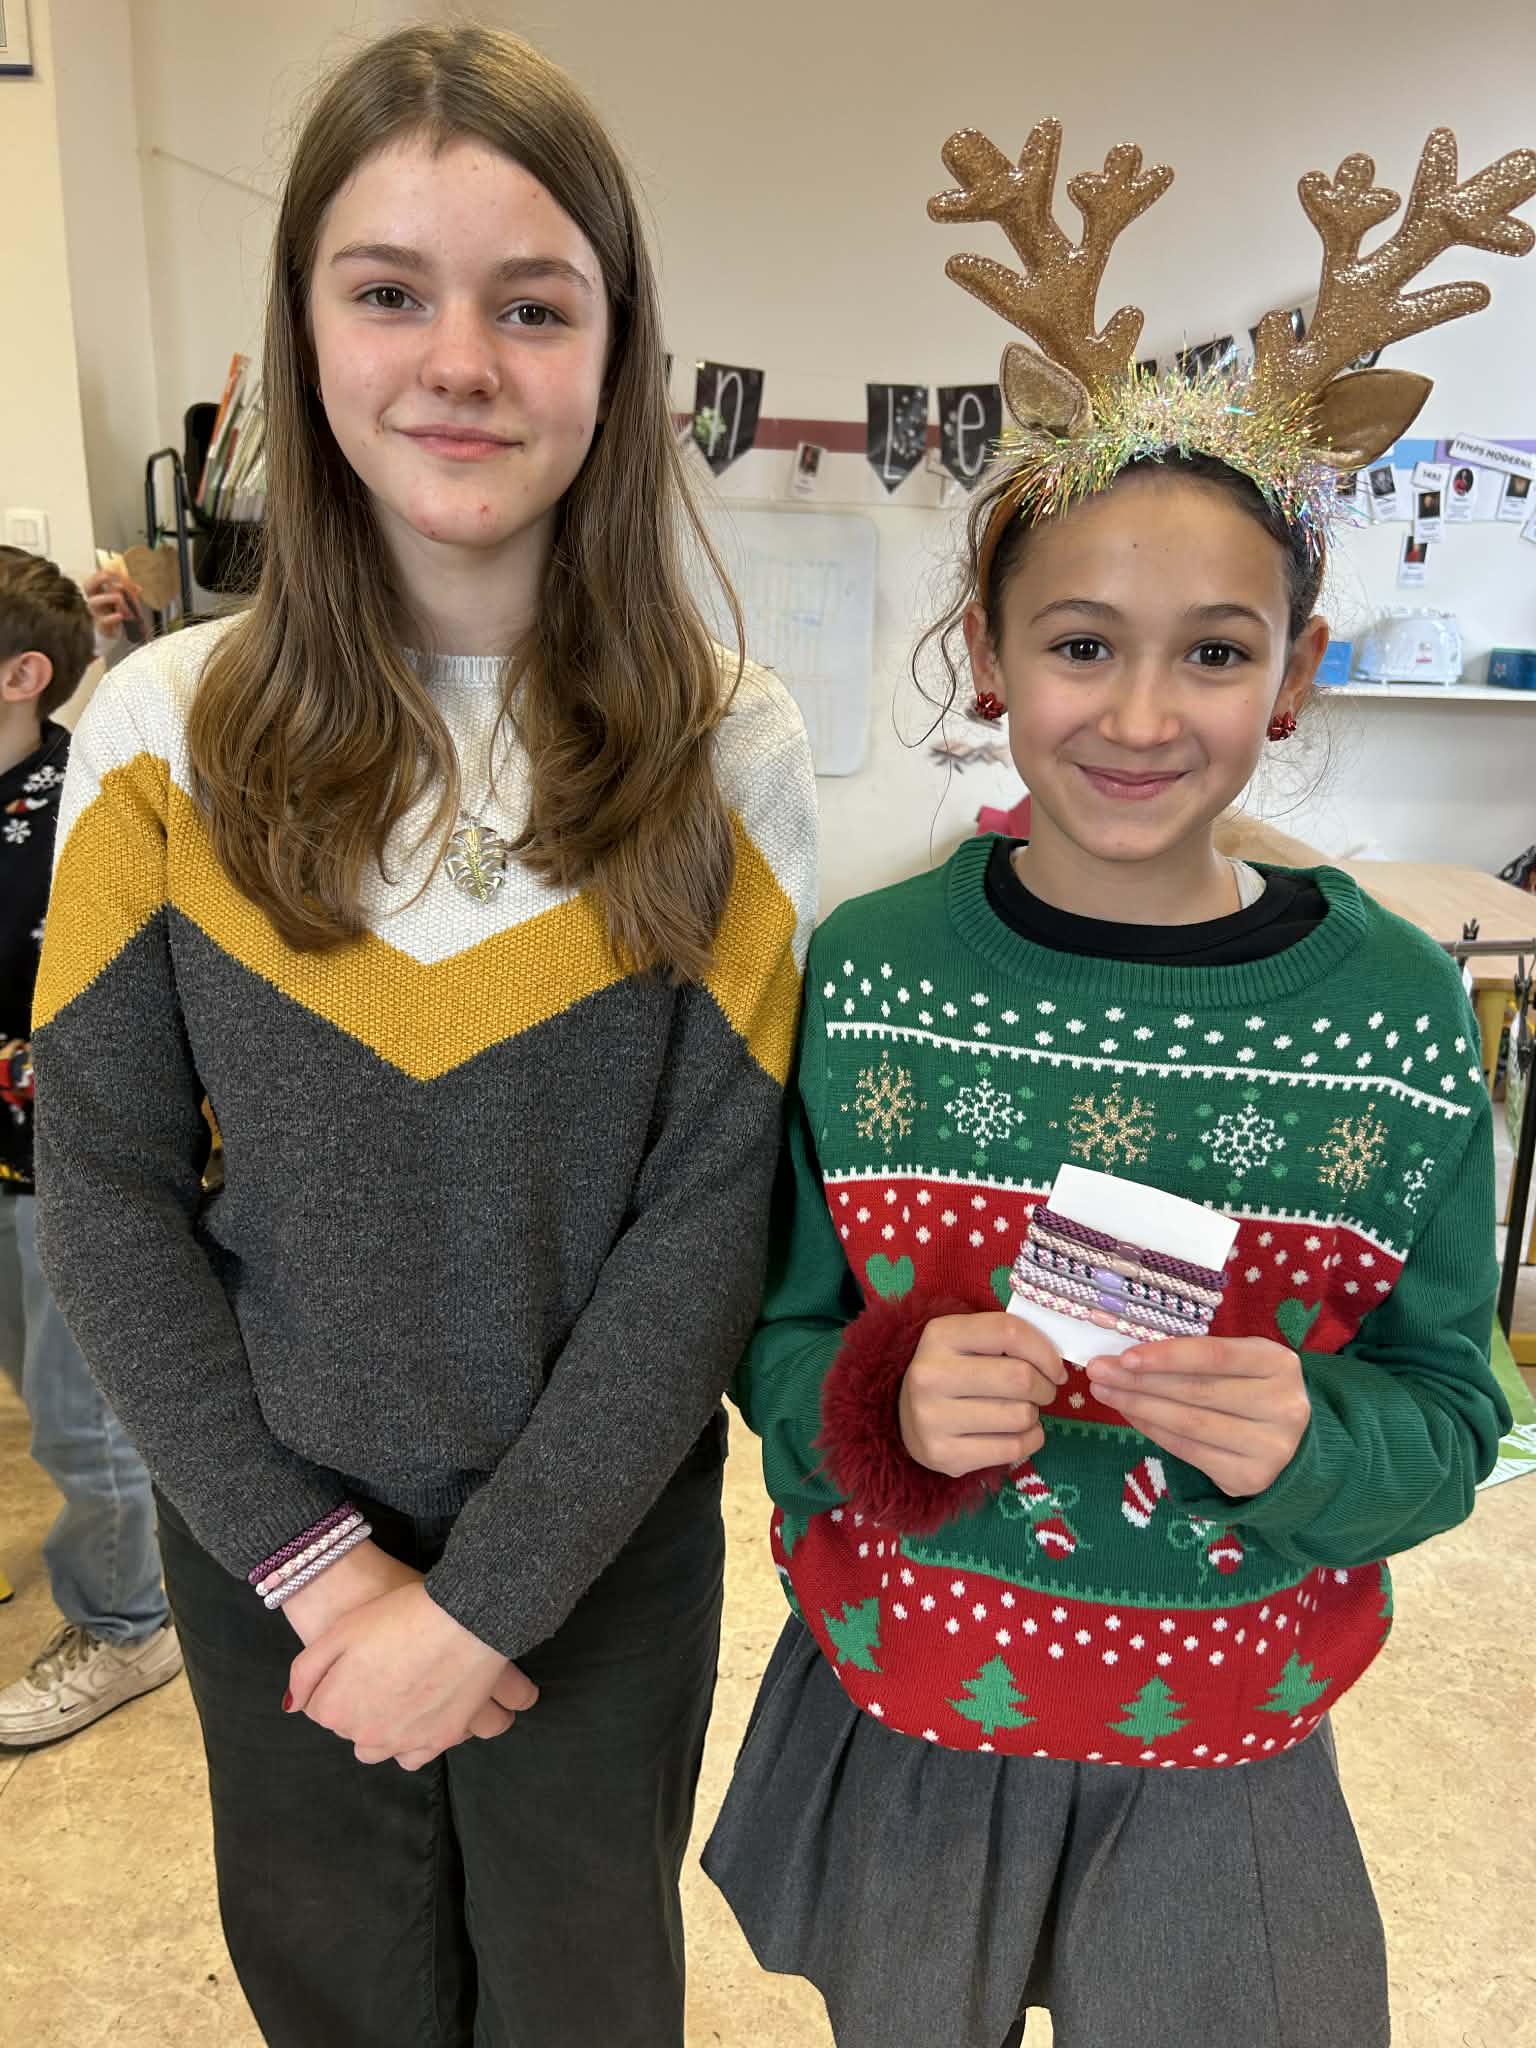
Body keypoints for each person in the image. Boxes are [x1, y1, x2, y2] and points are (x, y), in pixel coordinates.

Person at [31, 23, 815, 2048]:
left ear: (616, 353)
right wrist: (325, 1574)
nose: (460, 360)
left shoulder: (728, 742)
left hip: (601, 1556)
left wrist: (480, 1602)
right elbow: (103, 1186)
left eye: (531, 306)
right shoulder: (158, 735)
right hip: (267, 1534)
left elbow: (707, 1219)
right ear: (303, 332)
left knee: (583, 1994)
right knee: (340, 1992)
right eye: (389, 292)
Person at [706, 116, 1526, 2048]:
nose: (1142, 714)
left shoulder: (1395, 1009)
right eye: (1081, 644)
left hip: (1227, 1731)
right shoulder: (872, 974)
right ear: (988, 657)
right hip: (916, 1692)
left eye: (1213, 654)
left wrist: (1314, 1435)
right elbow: (771, 1335)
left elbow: (1454, 1412)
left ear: (1294, 674)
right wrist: (878, 1400)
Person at [0, 546, 181, 1746]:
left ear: (22, 675)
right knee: (36, 1395)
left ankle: (129, 1622)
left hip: (57, 1167)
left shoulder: (81, 803)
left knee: (81, 1417)